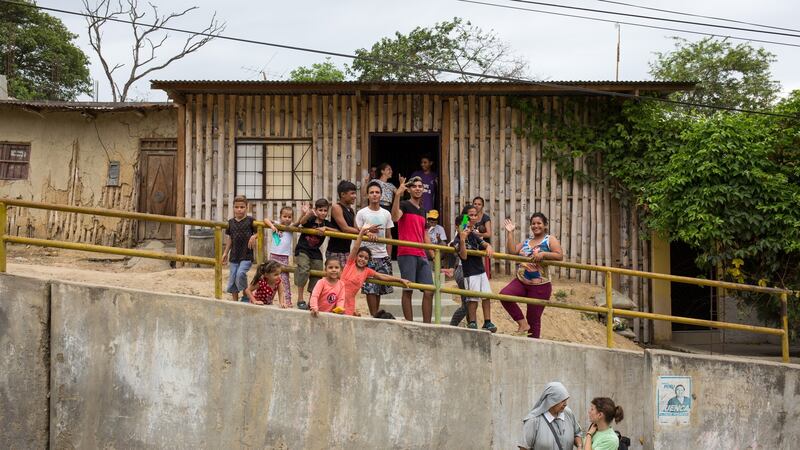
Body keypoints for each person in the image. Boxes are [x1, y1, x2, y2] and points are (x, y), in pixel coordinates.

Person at [500, 213, 563, 338]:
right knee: (505, 295)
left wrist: (544, 254)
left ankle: (533, 347)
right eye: (533, 223)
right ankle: (523, 324)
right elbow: (512, 251)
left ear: (545, 225)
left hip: (540, 286)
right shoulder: (527, 241)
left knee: (533, 319)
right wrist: (510, 232)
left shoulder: (550, 239)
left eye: (539, 223)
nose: (535, 226)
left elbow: (559, 255)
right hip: (521, 281)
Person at [340, 225, 410, 316]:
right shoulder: (350, 263)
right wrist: (362, 232)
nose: (362, 259)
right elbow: (355, 247)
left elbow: (382, 276)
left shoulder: (367, 271)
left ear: (368, 261)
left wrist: (400, 280)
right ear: (356, 256)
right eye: (360, 256)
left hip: (349, 303)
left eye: (366, 258)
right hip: (338, 297)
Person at [392, 175, 435, 323]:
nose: (418, 188)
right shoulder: (404, 204)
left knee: (429, 290)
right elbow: (395, 218)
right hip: (407, 252)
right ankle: (410, 324)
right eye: (414, 186)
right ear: (409, 189)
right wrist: (397, 195)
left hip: (421, 253)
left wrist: (434, 254)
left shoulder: (423, 210)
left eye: (420, 186)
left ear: (423, 189)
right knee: (408, 289)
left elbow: (424, 234)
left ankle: (427, 326)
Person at [453, 205, 497, 332]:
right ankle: (472, 322)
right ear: (457, 227)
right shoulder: (457, 240)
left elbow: (484, 243)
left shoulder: (473, 234)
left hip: (481, 270)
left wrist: (488, 246)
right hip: (469, 273)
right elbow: (464, 256)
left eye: (467, 226)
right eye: (463, 226)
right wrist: (462, 240)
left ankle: (487, 321)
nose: (466, 228)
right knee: (472, 298)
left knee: (486, 295)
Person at [356, 181, 397, 317]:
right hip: (367, 255)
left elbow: (389, 236)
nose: (374, 195)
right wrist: (367, 232)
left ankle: (376, 315)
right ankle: (374, 315)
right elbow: (356, 231)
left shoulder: (386, 213)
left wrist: (388, 256)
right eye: (372, 192)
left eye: (377, 192)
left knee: (379, 288)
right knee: (370, 288)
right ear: (367, 195)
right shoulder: (362, 213)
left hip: (382, 254)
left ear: (381, 195)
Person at [293, 199, 333, 310]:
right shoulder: (311, 219)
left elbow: (337, 230)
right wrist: (308, 213)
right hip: (303, 249)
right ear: (316, 210)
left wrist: (326, 228)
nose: (323, 213)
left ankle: (312, 301)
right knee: (304, 268)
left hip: (315, 251)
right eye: (320, 210)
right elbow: (302, 222)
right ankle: (300, 299)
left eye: (325, 210)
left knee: (318, 273)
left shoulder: (326, 223)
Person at [519, 382, 583, 450]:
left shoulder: (568, 413)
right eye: (562, 401)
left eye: (566, 400)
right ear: (551, 401)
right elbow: (524, 448)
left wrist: (579, 446)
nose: (565, 404)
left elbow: (577, 433)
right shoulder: (533, 421)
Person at [222, 195, 258, 302]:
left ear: (247, 207)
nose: (239, 209)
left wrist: (254, 236)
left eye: (242, 207)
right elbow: (230, 239)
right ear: (233, 208)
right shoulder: (231, 223)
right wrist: (225, 253)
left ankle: (246, 296)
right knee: (233, 277)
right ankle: (235, 301)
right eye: (236, 207)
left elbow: (259, 232)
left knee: (240, 273)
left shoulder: (251, 221)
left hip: (246, 254)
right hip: (234, 255)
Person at [362, 162, 397, 254]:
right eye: (388, 169)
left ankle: (388, 256)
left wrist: (402, 185)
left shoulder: (391, 185)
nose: (391, 171)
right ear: (382, 171)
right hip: (376, 206)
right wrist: (366, 182)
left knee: (387, 233)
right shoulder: (375, 182)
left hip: (388, 208)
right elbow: (365, 195)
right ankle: (371, 252)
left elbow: (399, 193)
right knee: (374, 230)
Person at [327, 180, 361, 268]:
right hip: (335, 251)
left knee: (344, 278)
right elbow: (345, 229)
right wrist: (364, 232)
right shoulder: (336, 207)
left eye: (355, 193)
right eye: (352, 193)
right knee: (335, 278)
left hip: (346, 250)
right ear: (343, 194)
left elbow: (356, 228)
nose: (355, 196)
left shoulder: (351, 210)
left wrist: (366, 230)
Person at [266, 206, 293, 307]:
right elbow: (266, 219)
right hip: (273, 255)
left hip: (284, 257)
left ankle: (287, 301)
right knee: (271, 278)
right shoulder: (276, 224)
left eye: (289, 217)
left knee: (284, 279)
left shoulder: (291, 227)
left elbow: (299, 223)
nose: (287, 218)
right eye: (284, 216)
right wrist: (272, 226)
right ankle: (268, 299)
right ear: (280, 216)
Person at [472, 196, 493, 278]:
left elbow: (488, 234)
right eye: (475, 204)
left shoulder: (486, 218)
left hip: (483, 243)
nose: (476, 206)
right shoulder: (466, 216)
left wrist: (477, 234)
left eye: (479, 204)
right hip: (471, 242)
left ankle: (486, 274)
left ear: (482, 206)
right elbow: (461, 229)